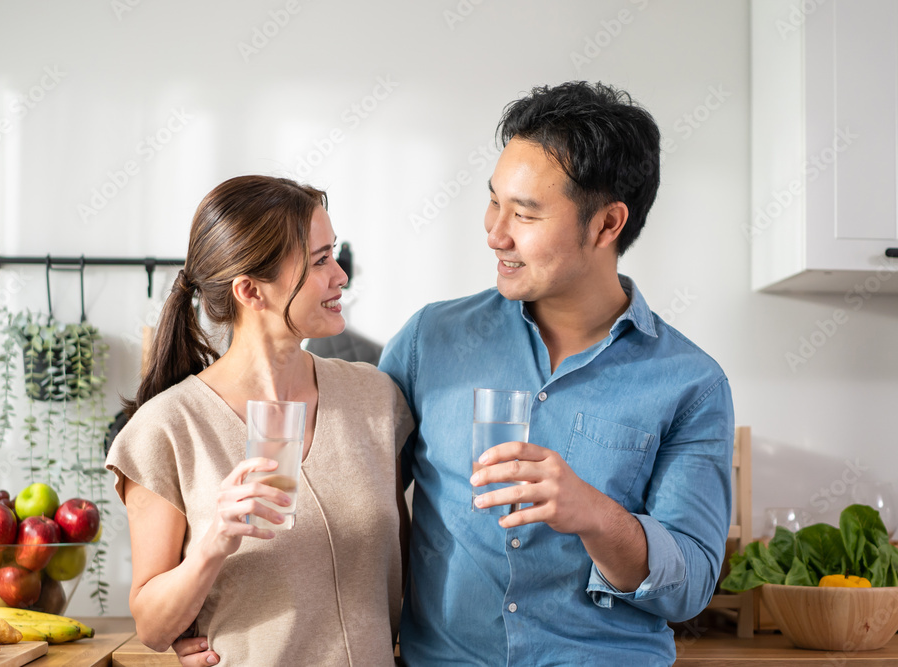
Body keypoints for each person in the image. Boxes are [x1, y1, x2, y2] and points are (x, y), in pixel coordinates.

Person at [378, 82, 734, 665]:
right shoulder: (430, 340)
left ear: (606, 225)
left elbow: (690, 587)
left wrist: (593, 514)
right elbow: (346, 491)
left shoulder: (691, 385)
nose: (496, 232)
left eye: (525, 213)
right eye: (494, 201)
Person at [106, 175, 413, 667]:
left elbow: (407, 577)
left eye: (333, 254)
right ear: (250, 290)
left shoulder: (374, 397)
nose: (340, 276)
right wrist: (212, 546)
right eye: (319, 262)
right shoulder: (167, 428)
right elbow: (153, 626)